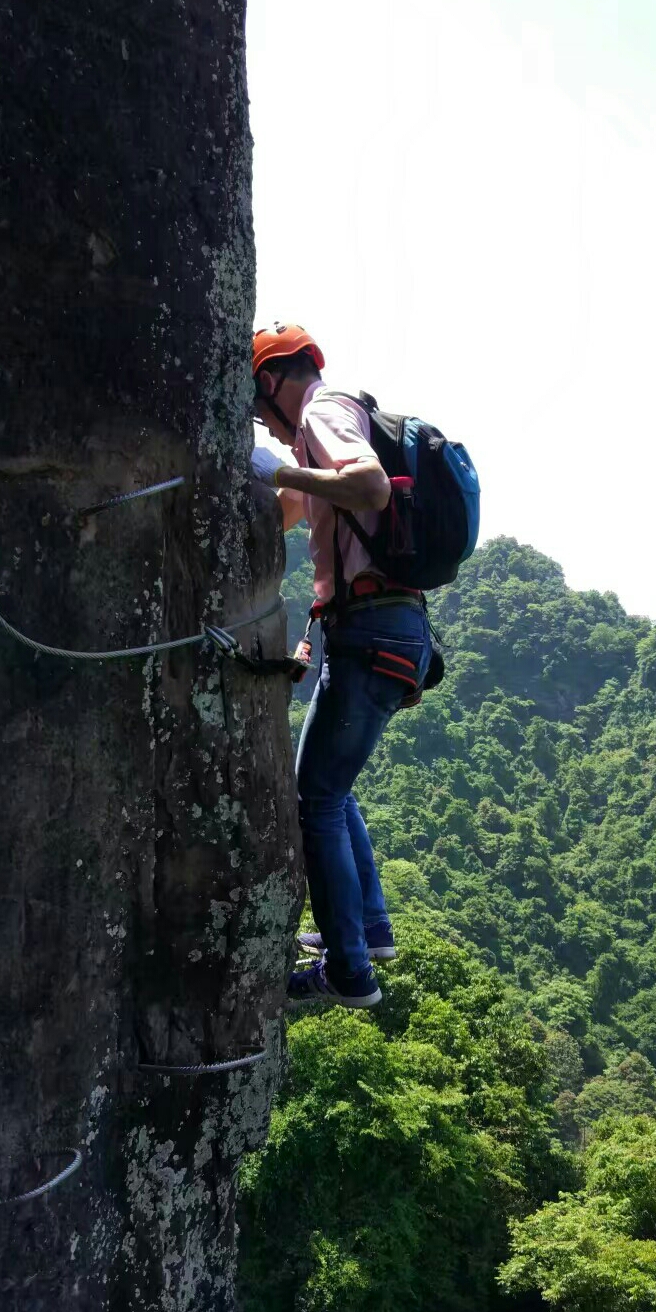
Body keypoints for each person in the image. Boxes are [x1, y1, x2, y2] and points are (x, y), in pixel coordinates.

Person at [250, 323, 432, 1008]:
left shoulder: (324, 412)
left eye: (256, 409)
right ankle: (373, 928)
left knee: (314, 798)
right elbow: (290, 509)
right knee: (330, 783)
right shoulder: (322, 427)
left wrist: (285, 470)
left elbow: (370, 486)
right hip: (386, 630)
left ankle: (349, 968)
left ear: (272, 384)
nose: (263, 430)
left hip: (371, 630)